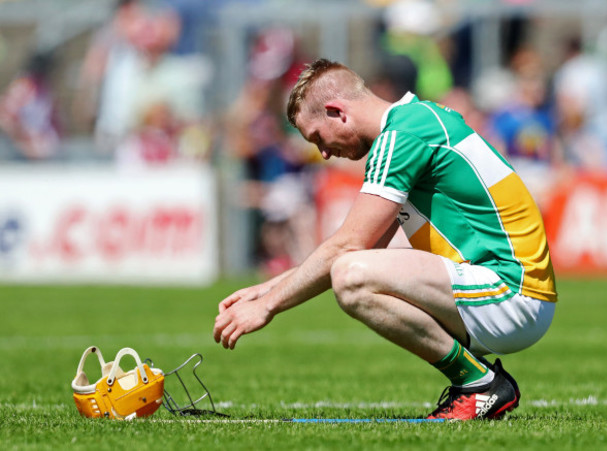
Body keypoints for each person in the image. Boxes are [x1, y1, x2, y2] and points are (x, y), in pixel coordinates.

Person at [213, 59, 558, 421]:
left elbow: (349, 247)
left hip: (513, 295)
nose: (324, 153)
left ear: (336, 112)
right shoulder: (413, 122)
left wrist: (267, 306)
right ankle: (479, 384)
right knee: (351, 269)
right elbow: (371, 247)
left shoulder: (403, 134)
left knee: (350, 276)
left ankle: (479, 385)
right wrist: (266, 289)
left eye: (318, 138)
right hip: (511, 293)